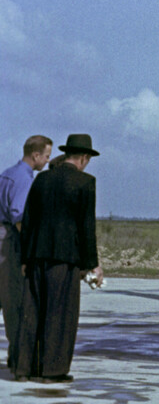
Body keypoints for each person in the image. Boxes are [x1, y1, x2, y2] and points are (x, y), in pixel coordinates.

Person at [13, 134, 102, 384]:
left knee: (32, 312)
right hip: (64, 259)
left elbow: (28, 220)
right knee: (59, 315)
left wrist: (24, 258)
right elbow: (86, 228)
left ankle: (24, 368)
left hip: (35, 256)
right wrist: (92, 264)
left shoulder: (42, 179)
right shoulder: (86, 182)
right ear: (84, 158)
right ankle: (51, 371)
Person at [0, 135, 53, 369]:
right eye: (47, 156)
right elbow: (18, 216)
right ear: (36, 155)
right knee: (13, 299)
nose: (47, 161)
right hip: (8, 240)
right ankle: (18, 355)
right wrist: (29, 248)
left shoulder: (7, 174)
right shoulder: (23, 179)